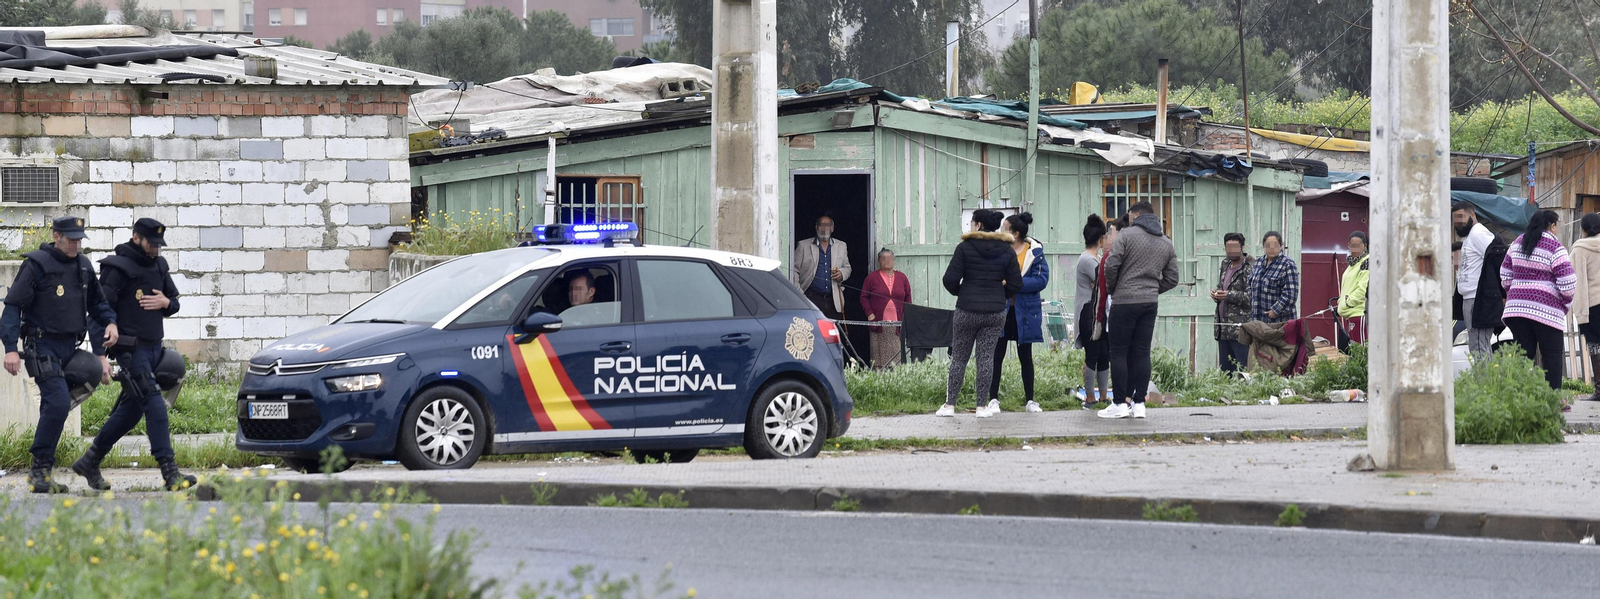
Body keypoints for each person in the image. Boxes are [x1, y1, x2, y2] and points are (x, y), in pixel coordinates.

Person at [73, 218, 194, 492]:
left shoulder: (159, 265)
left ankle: (89, 461)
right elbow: (98, 313)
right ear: (136, 238)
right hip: (130, 351)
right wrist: (100, 356)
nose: (155, 249)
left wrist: (166, 303)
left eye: (158, 245)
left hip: (155, 349)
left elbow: (173, 301)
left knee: (129, 413)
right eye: (151, 244)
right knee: (154, 405)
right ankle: (170, 473)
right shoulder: (117, 269)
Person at [1, 216, 118, 494]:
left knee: (59, 403)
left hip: (70, 347)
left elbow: (99, 306)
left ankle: (43, 470)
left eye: (79, 240)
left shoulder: (83, 266)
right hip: (41, 346)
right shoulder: (37, 265)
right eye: (71, 239)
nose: (76, 244)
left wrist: (110, 325)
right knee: (57, 403)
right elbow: (12, 308)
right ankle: (40, 471)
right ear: (56, 236)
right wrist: (10, 349)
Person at [937, 209, 1022, 418]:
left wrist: (963, 292)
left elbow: (949, 280)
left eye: (972, 222)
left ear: (978, 225)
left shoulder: (964, 248)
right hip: (994, 312)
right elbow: (1016, 283)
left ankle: (949, 406)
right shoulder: (1007, 250)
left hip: (967, 310)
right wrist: (1000, 296)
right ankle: (982, 407)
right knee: (986, 358)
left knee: (959, 358)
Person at [1100, 202, 1179, 419]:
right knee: (1142, 352)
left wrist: (1116, 288)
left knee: (1118, 352)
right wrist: (1153, 289)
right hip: (1149, 303)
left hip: (1124, 301)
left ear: (1135, 215)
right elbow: (1173, 278)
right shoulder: (1166, 242)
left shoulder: (1126, 235)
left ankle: (1119, 404)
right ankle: (1139, 404)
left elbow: (1110, 265)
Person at [1500, 209, 1575, 391]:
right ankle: (1553, 400)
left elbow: (1505, 274)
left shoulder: (1517, 243)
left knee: (1523, 357)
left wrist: (1517, 293)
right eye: (1557, 225)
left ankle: (1519, 399)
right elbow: (1568, 282)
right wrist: (1563, 302)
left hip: (1516, 310)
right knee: (1552, 356)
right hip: (1546, 310)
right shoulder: (1555, 248)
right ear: (1552, 226)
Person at [989, 213, 1049, 413]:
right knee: (997, 355)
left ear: (1016, 233)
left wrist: (1015, 284)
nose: (1001, 231)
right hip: (1001, 309)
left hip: (1025, 312)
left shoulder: (1035, 252)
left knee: (1026, 356)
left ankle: (1030, 400)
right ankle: (993, 399)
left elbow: (1041, 280)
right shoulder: (999, 250)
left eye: (1005, 227)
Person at [1456, 201, 1506, 358]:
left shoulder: (1478, 234)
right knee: (1476, 346)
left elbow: (1498, 257)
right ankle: (1483, 381)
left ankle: (1485, 383)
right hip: (1469, 299)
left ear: (1472, 214)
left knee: (1479, 346)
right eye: (1454, 219)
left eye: (1460, 217)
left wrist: (1502, 293)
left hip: (1478, 299)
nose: (1457, 223)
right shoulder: (1471, 236)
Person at [1075, 215, 1113, 406]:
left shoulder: (1094, 258)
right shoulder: (1088, 260)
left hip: (1098, 310)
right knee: (1093, 355)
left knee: (1104, 354)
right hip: (1088, 312)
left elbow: (1099, 283)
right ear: (1100, 240)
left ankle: (1104, 396)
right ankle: (1091, 397)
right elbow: (1106, 281)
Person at [791, 215, 851, 319]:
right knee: (812, 332)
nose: (824, 228)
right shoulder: (803, 245)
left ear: (832, 228)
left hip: (833, 300)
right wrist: (799, 292)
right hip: (810, 297)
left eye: (827, 225)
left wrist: (841, 273)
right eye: (821, 225)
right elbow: (793, 270)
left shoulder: (841, 245)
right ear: (816, 228)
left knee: (832, 333)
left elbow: (847, 268)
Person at [860, 248, 911, 369]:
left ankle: (896, 384)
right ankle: (880, 385)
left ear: (893, 261)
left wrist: (906, 316)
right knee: (879, 361)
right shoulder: (872, 278)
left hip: (897, 326)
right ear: (879, 261)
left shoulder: (902, 277)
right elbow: (863, 297)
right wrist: (870, 314)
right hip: (878, 325)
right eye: (884, 258)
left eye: (890, 258)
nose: (887, 261)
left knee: (896, 360)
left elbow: (908, 298)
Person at [1211, 232, 1254, 374]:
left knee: (1242, 371)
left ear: (1242, 247)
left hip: (1240, 329)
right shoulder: (1225, 264)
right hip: (1223, 328)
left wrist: (1229, 295)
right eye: (1228, 247)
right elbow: (1223, 287)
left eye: (1235, 247)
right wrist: (1216, 294)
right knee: (1226, 372)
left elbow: (1252, 298)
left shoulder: (1250, 266)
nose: (1231, 251)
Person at [1571, 213, 1600, 402]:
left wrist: (1579, 313)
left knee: (1596, 348)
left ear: (1583, 229)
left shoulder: (1579, 249)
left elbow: (1577, 283)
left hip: (1593, 305)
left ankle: (1599, 390)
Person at [1246, 231, 1299, 324]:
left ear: (1281, 246)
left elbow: (1291, 294)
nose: (1271, 248)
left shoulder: (1287, 264)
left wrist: (1276, 310)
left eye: (1275, 245)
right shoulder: (1258, 262)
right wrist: (1252, 300)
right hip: (1258, 319)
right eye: (1268, 245)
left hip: (1280, 321)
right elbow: (1249, 284)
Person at [1336, 231, 1371, 351]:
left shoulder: (1366, 262)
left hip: (1359, 312)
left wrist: (1347, 303)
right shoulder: (1352, 264)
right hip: (1350, 314)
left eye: (1358, 245)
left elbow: (1363, 289)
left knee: (1361, 351)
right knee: (1354, 351)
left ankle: (1365, 371)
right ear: (1348, 245)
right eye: (1352, 245)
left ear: (1365, 246)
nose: (1355, 248)